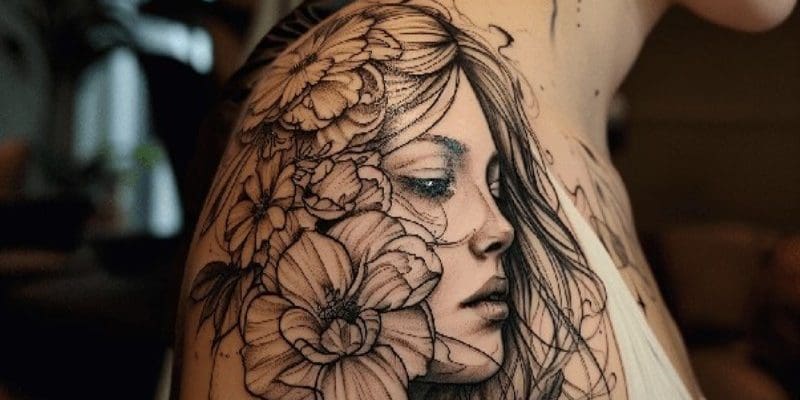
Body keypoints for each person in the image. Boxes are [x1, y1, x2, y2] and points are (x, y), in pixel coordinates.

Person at [176, 1, 796, 399]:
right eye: (431, 182)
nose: (500, 226)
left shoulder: (571, 145)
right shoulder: (379, 84)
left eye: (500, 188)